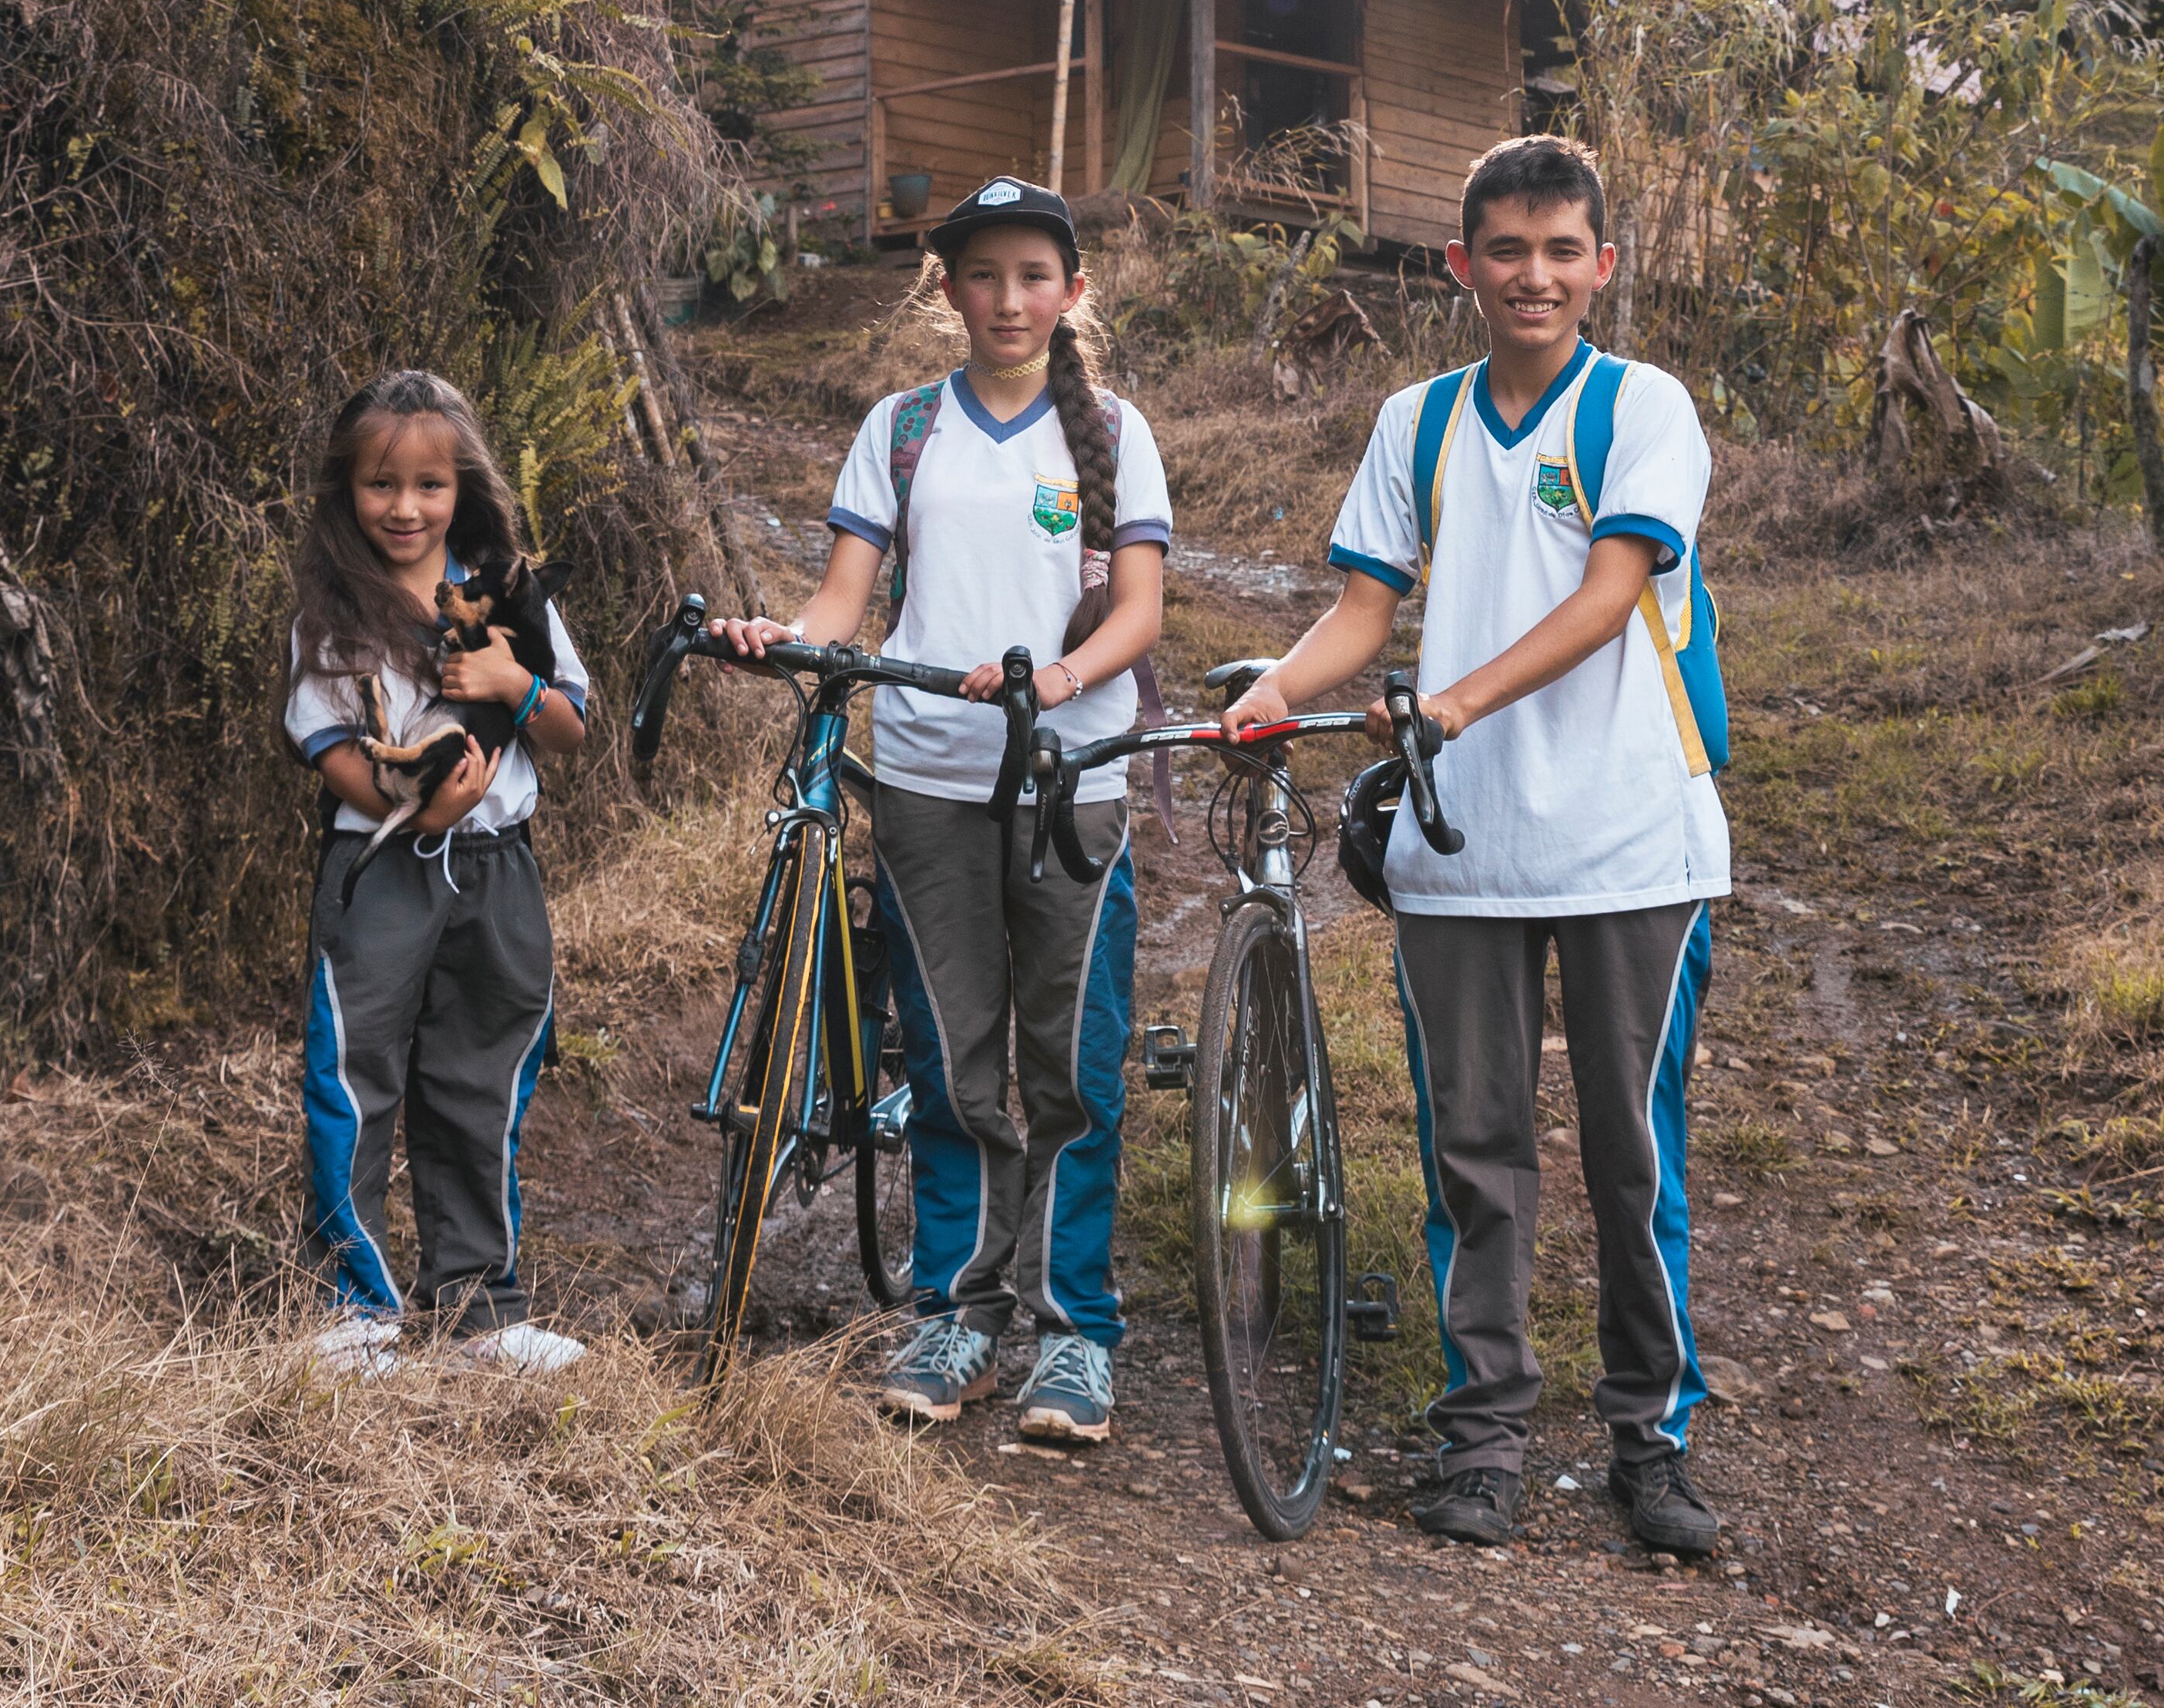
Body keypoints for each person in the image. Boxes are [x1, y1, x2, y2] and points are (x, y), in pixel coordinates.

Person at [1221, 136, 1727, 1555]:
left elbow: (1609, 593)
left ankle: (1652, 1436)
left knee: (1633, 1152)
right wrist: (1275, 688)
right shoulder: (1419, 420)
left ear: (1602, 266)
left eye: (1562, 249)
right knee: (1475, 1149)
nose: (1533, 274)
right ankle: (1484, 1433)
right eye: (1504, 249)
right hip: (1458, 842)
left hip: (1636, 836)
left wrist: (1444, 702)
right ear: (1459, 265)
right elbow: (1361, 610)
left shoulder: (1644, 409)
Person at [716, 178, 1169, 1445]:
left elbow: (1137, 610)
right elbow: (842, 599)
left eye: (1035, 274)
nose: (1009, 297)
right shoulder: (903, 428)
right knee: (954, 1052)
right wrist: (783, 637)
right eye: (984, 274)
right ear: (949, 290)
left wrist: (1064, 677)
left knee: (1071, 1062)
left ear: (1072, 292)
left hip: (1071, 781)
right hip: (924, 778)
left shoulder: (1115, 433)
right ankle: (959, 1307)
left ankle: (1074, 1328)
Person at [285, 369, 592, 1376]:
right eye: (381, 485)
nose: (405, 507)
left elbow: (570, 726)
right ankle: (352, 1305)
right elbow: (333, 750)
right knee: (355, 1076)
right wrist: (415, 803)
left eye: (428, 484)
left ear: (462, 484)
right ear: (348, 492)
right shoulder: (335, 611)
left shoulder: (513, 591)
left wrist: (518, 681)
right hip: (380, 871)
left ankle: (480, 1304)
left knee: (482, 1076)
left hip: (498, 871)